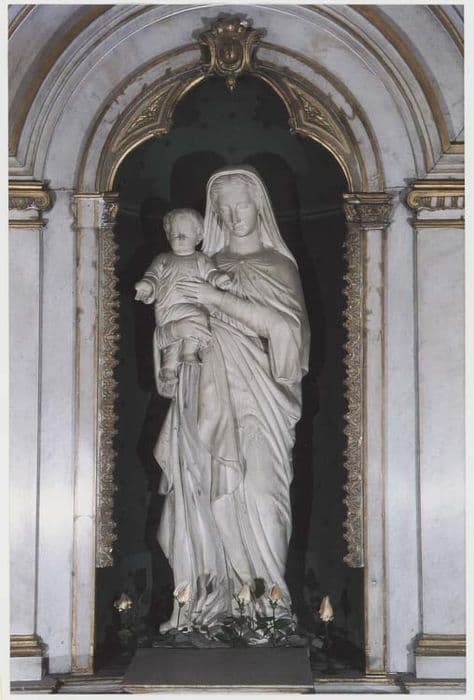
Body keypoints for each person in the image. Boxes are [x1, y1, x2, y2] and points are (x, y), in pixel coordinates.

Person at [153, 167, 310, 631]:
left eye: (242, 205)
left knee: (261, 496)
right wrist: (173, 331)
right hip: (204, 394)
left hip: (262, 400)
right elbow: (166, 323)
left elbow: (286, 333)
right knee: (204, 498)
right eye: (224, 209)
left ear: (259, 206)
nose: (234, 215)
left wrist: (217, 300)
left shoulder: (278, 266)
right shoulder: (201, 263)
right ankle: (208, 607)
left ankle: (269, 610)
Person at [134, 208, 232, 397]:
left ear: (199, 237)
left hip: (187, 310)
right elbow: (152, 276)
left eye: (184, 234)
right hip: (168, 309)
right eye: (174, 234)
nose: (178, 238)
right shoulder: (163, 259)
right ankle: (189, 353)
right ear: (167, 236)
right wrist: (146, 286)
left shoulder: (201, 259)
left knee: (174, 340)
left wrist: (219, 279)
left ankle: (168, 369)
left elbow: (211, 273)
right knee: (199, 317)